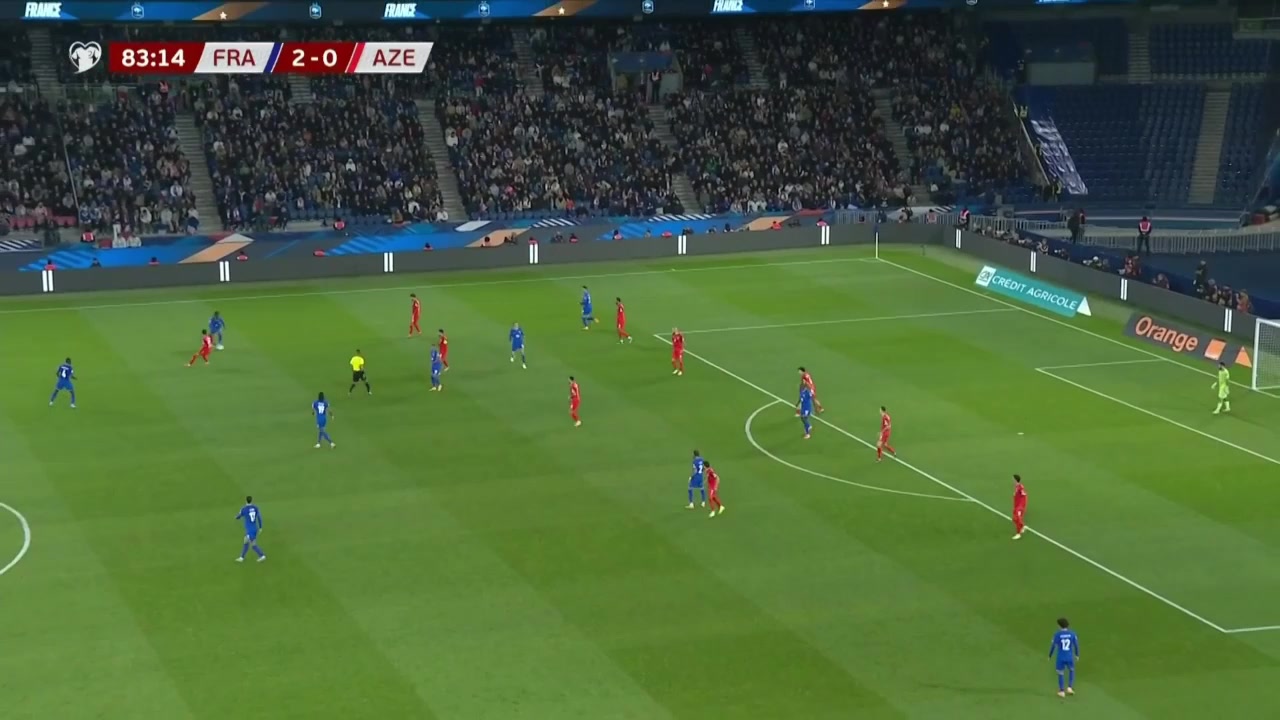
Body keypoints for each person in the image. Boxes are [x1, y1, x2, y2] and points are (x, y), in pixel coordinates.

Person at [1049, 618, 1079, 698]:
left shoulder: (1057, 635)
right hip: (1069, 657)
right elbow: (1076, 645)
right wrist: (1077, 655)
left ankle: (1062, 691)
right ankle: (1069, 687)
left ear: (1059, 626)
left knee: (1060, 673)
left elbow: (1053, 646)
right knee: (1071, 670)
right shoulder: (1072, 634)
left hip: (1061, 657)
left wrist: (1050, 655)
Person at [235, 496, 267, 563]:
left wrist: (236, 517)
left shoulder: (244, 509)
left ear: (246, 500)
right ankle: (242, 557)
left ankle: (262, 555)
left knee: (253, 545)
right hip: (254, 528)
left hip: (250, 530)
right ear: (252, 500)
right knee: (246, 542)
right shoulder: (255, 508)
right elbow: (259, 518)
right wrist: (260, 527)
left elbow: (239, 516)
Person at [1012, 474, 1028, 540]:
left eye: (1013, 479)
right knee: (1014, 519)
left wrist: (1021, 506)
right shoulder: (1016, 486)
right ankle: (1022, 526)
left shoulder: (1020, 487)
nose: (1012, 480)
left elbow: (1024, 495)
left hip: (1020, 506)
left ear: (1015, 480)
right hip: (1017, 506)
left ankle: (1018, 534)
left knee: (1017, 518)